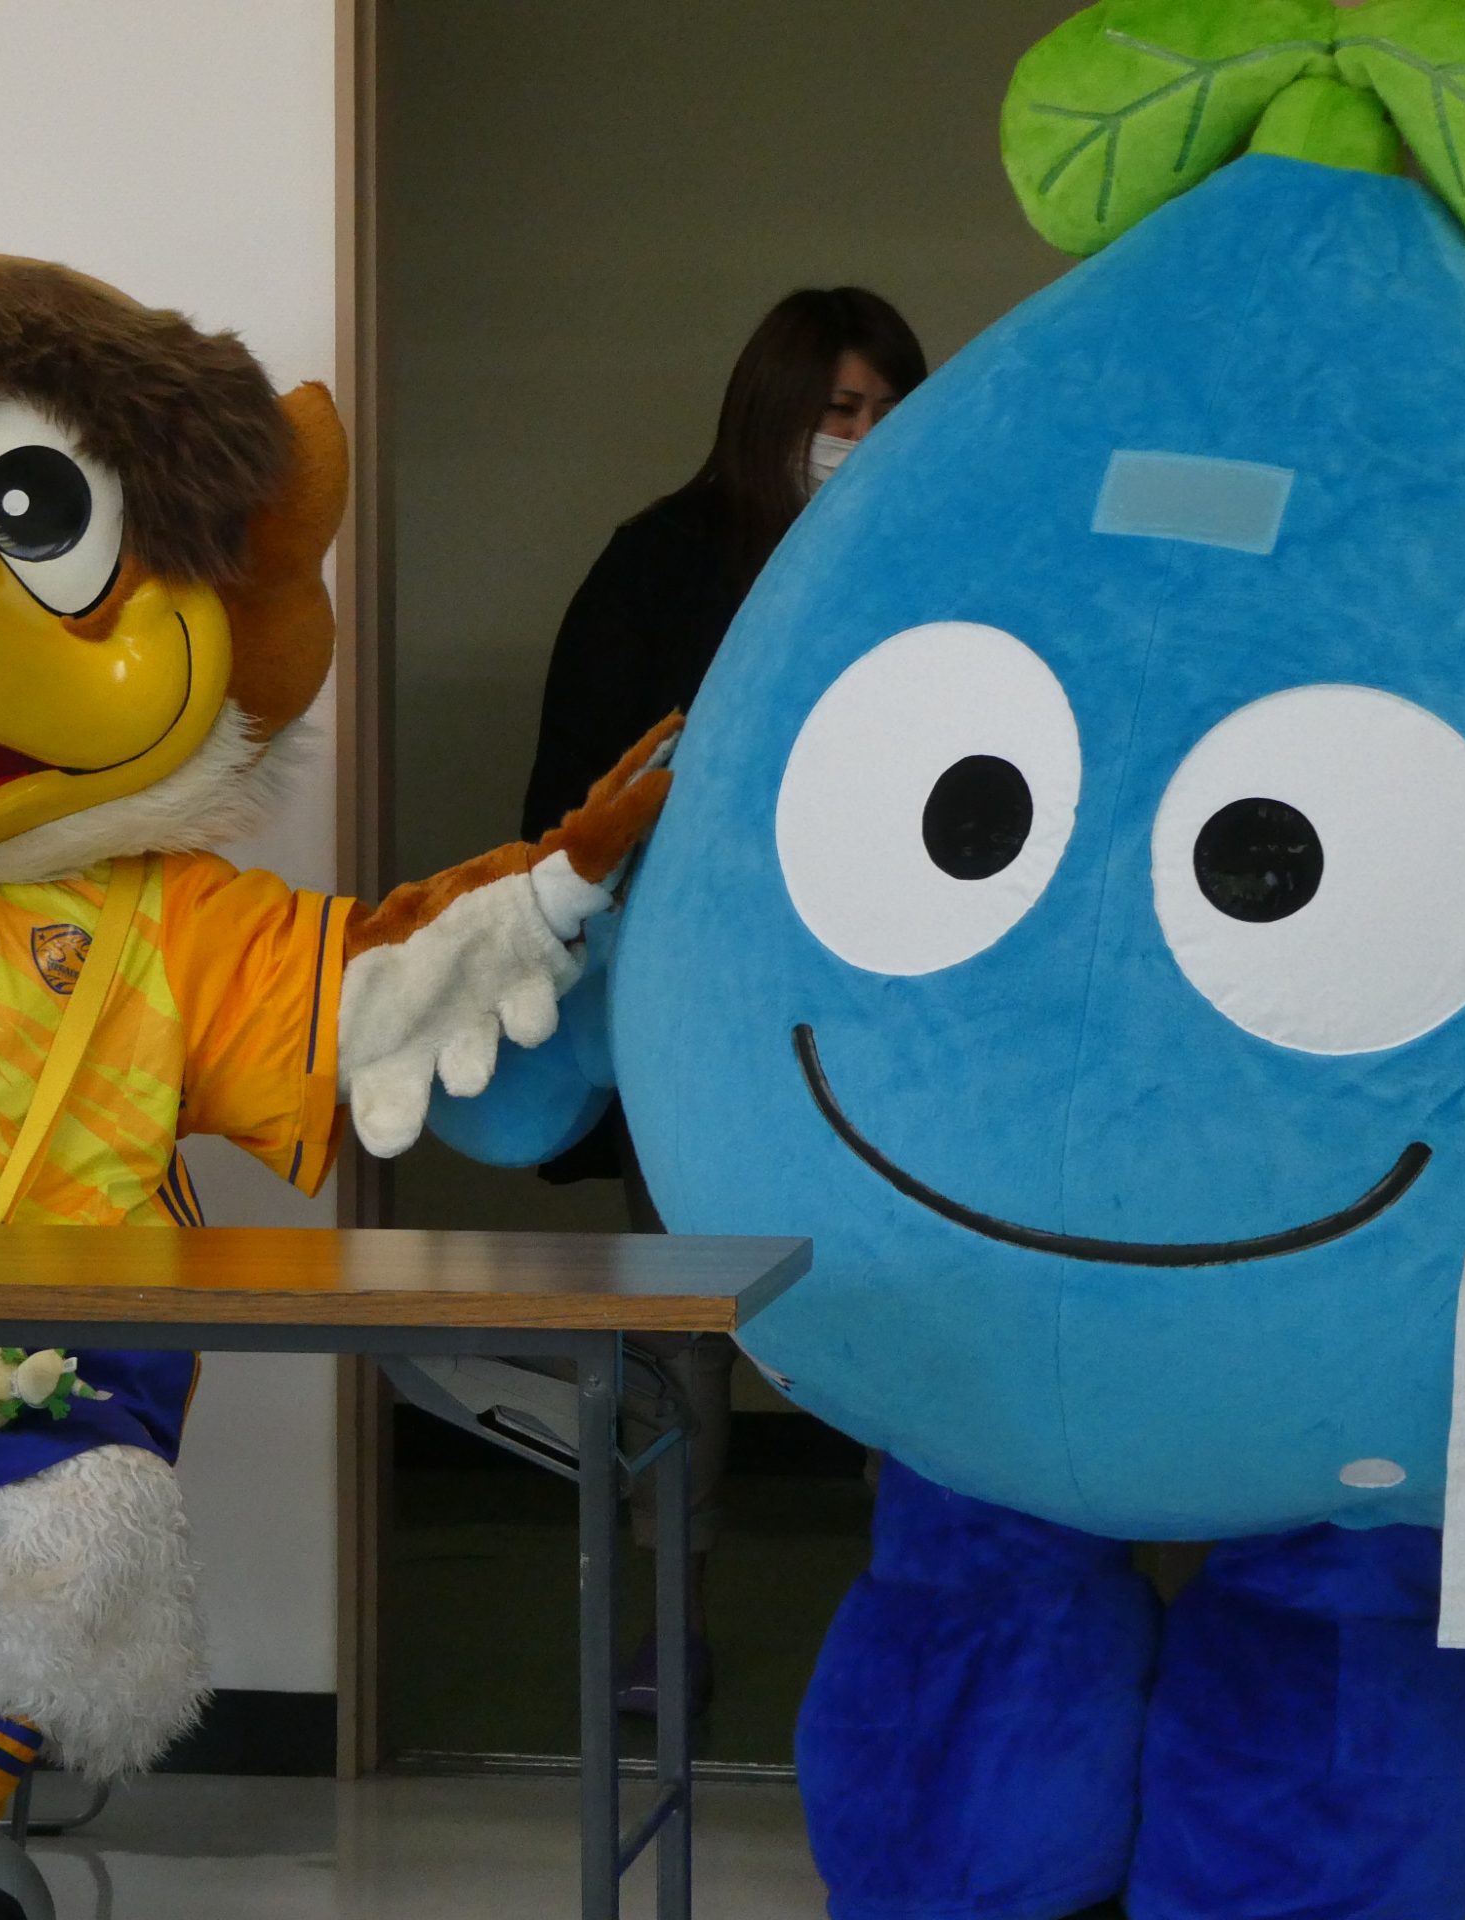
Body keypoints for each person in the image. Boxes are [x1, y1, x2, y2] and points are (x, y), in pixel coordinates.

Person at [519, 286, 926, 1715]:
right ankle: (670, 1612)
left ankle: (918, 1613)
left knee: (906, 1300)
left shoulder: (921, 548)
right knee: (685, 1320)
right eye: (840, 410)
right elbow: (577, 800)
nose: (862, 436)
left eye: (887, 410)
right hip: (690, 1013)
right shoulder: (665, 560)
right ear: (776, 410)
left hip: (888, 1017)